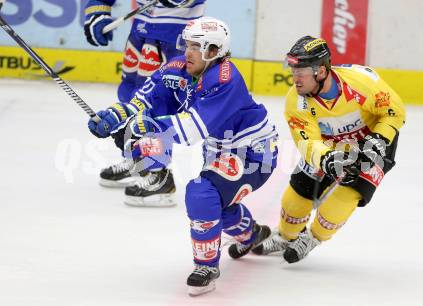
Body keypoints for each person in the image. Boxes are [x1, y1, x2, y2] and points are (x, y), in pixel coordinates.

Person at [87, 17, 279, 296]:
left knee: (202, 193)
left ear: (214, 51)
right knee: (219, 205)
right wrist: (117, 114)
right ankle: (251, 234)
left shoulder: (226, 79)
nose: (187, 52)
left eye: (196, 46)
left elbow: (192, 128)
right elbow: (145, 100)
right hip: (220, 149)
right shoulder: (177, 67)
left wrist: (149, 127)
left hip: (251, 151)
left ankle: (206, 266)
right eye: (187, 44)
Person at [252, 36, 406, 263]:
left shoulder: (362, 82)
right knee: (295, 201)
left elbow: (394, 111)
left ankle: (314, 237)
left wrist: (376, 141)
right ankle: (285, 235)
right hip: (330, 147)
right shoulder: (296, 101)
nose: (295, 79)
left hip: (372, 142)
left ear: (321, 72)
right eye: (293, 71)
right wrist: (327, 159)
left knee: (340, 202)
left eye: (301, 72)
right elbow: (306, 142)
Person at [83, 0, 206, 206]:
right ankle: (137, 160)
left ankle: (158, 174)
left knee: (159, 99)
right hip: (141, 25)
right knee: (132, 93)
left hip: (178, 31)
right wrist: (98, 8)